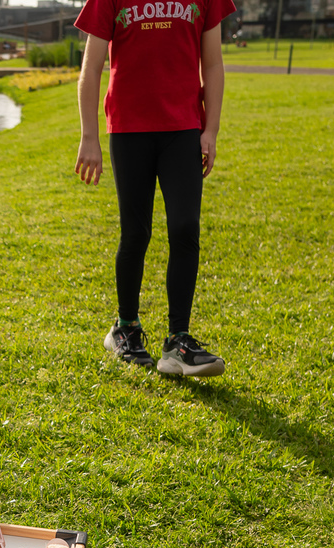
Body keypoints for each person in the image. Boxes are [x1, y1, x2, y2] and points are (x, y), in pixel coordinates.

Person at [74, 0, 235, 377]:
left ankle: (178, 341)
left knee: (184, 227)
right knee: (136, 233)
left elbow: (211, 63)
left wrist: (210, 129)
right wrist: (89, 136)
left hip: (182, 129)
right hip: (129, 129)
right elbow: (91, 67)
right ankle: (125, 328)